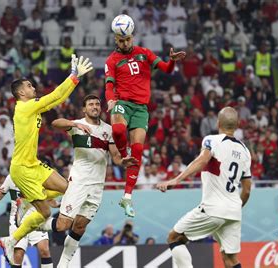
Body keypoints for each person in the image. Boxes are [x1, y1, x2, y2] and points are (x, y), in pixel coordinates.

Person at [1, 54, 93, 264]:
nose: (33, 87)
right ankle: (13, 239)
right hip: (22, 169)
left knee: (69, 189)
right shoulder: (25, 106)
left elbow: (56, 99)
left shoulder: (30, 107)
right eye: (29, 85)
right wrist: (73, 76)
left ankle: (38, 210)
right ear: (21, 92)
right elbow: (54, 97)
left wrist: (75, 79)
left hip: (33, 164)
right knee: (43, 212)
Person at [105, 14, 186, 217]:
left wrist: (172, 61)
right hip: (122, 103)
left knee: (139, 149)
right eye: (121, 40)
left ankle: (127, 197)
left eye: (128, 39)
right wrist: (110, 100)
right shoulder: (112, 60)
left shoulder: (144, 53)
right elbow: (109, 85)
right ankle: (124, 156)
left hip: (141, 108)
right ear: (116, 40)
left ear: (132, 37)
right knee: (118, 129)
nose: (125, 43)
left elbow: (167, 70)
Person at [48, 94, 136, 267]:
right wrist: (75, 124)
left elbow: (116, 157)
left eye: (97, 104)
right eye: (90, 104)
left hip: (97, 186)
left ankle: (63, 265)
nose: (95, 107)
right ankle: (31, 225)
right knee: (62, 225)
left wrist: (124, 161)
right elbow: (55, 123)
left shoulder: (109, 130)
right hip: (79, 182)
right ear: (84, 108)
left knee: (80, 226)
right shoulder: (77, 125)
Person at [157, 107, 252, 268]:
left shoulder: (212, 140)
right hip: (234, 210)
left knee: (174, 237)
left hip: (213, 207)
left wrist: (176, 179)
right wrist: (235, 207)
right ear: (238, 124)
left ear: (218, 123)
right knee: (230, 259)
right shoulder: (245, 151)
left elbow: (202, 160)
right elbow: (247, 189)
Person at [0, 175, 56, 268]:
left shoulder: (36, 174)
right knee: (18, 255)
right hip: (17, 222)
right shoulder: (11, 177)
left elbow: (47, 194)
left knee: (44, 250)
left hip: (36, 219)